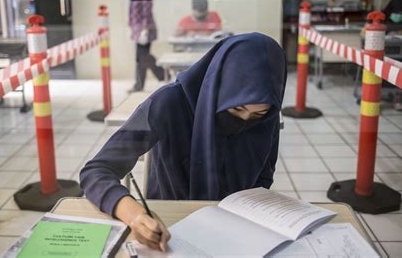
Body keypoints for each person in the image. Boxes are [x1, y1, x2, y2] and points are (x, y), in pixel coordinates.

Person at [80, 32, 287, 251]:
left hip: (238, 225)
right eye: (236, 108)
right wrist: (134, 214)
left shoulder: (268, 117)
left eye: (258, 114)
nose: (245, 120)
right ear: (219, 84)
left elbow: (265, 176)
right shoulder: (168, 103)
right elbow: (96, 170)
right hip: (169, 225)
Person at [128, 0, 165, 92]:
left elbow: (146, 10)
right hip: (138, 29)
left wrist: (144, 29)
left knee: (142, 57)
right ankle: (143, 83)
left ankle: (162, 74)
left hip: (145, 29)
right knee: (141, 57)